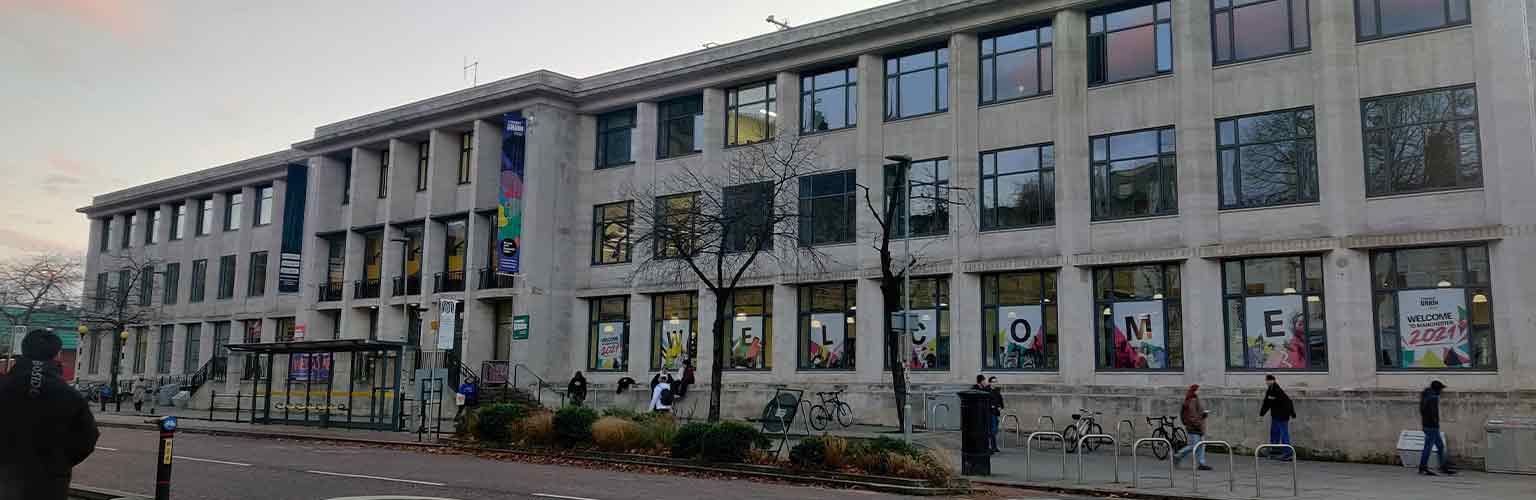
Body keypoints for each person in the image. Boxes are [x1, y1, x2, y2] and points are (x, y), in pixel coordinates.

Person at [0, 330, 100, 500]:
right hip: (50, 482)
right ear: (57, 355)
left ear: (23, 351)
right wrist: (59, 463)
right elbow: (88, 438)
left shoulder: (4, 387)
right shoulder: (70, 396)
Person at [1418, 380, 1455, 476]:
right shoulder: (1433, 398)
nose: (1442, 391)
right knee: (1428, 447)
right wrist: (1435, 423)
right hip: (1432, 427)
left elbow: (1422, 411)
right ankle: (1423, 467)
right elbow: (1433, 413)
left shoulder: (1425, 396)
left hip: (1426, 425)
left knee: (1440, 446)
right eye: (1441, 389)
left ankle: (1443, 466)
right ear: (1437, 389)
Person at [1173, 384, 1212, 471]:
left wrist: (1203, 414)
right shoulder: (1192, 401)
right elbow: (1192, 416)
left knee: (1201, 445)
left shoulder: (1193, 399)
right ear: (1195, 391)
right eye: (1198, 390)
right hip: (1195, 427)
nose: (1200, 391)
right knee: (1194, 445)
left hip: (1196, 426)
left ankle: (1201, 463)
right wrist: (1201, 420)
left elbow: (1196, 413)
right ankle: (1178, 455)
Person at [1258, 374, 1296, 460]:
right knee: (1274, 432)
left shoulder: (1277, 390)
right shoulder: (1270, 390)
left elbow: (1288, 402)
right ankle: (1275, 449)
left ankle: (1288, 453)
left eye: (1268, 381)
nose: (1267, 382)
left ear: (1273, 381)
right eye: (1266, 381)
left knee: (1284, 433)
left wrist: (1292, 414)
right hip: (1275, 415)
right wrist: (1261, 414)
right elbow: (1266, 403)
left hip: (1282, 415)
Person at [987, 376, 1004, 453]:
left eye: (996, 381)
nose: (995, 383)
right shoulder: (988, 391)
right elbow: (987, 403)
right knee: (993, 430)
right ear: (990, 383)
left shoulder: (997, 392)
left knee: (995, 430)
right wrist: (992, 406)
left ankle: (994, 446)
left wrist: (1000, 406)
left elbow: (1001, 402)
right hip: (991, 413)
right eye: (993, 381)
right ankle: (991, 446)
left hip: (996, 413)